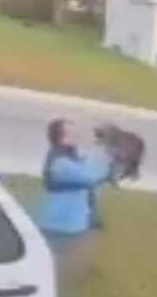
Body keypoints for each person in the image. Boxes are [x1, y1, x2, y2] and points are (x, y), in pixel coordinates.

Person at [39, 119, 111, 283]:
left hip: (73, 222)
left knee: (69, 263)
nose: (77, 135)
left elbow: (92, 168)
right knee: (57, 268)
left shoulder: (72, 157)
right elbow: (93, 175)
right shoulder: (60, 163)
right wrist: (108, 159)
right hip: (61, 225)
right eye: (71, 132)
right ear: (61, 137)